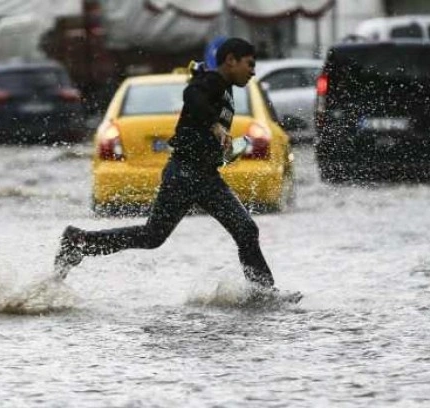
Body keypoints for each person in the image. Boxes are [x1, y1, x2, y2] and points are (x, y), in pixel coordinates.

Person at [54, 38, 281, 292]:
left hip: (200, 174)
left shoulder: (222, 86)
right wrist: (215, 125)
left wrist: (225, 150)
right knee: (234, 231)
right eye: (249, 64)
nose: (253, 71)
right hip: (187, 174)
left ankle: (80, 242)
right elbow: (192, 95)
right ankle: (78, 241)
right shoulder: (213, 82)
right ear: (231, 60)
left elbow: (198, 113)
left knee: (162, 236)